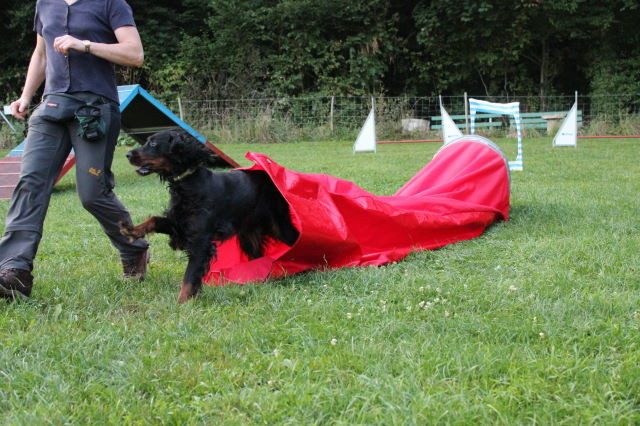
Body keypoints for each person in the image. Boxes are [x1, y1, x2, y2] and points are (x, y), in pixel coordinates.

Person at [0, 0, 149, 300]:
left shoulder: (111, 3)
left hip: (95, 108)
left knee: (93, 193)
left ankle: (133, 247)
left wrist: (85, 45)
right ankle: (14, 271)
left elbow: (135, 54)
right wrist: (26, 96)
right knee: (30, 183)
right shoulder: (45, 4)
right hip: (52, 107)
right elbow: (41, 53)